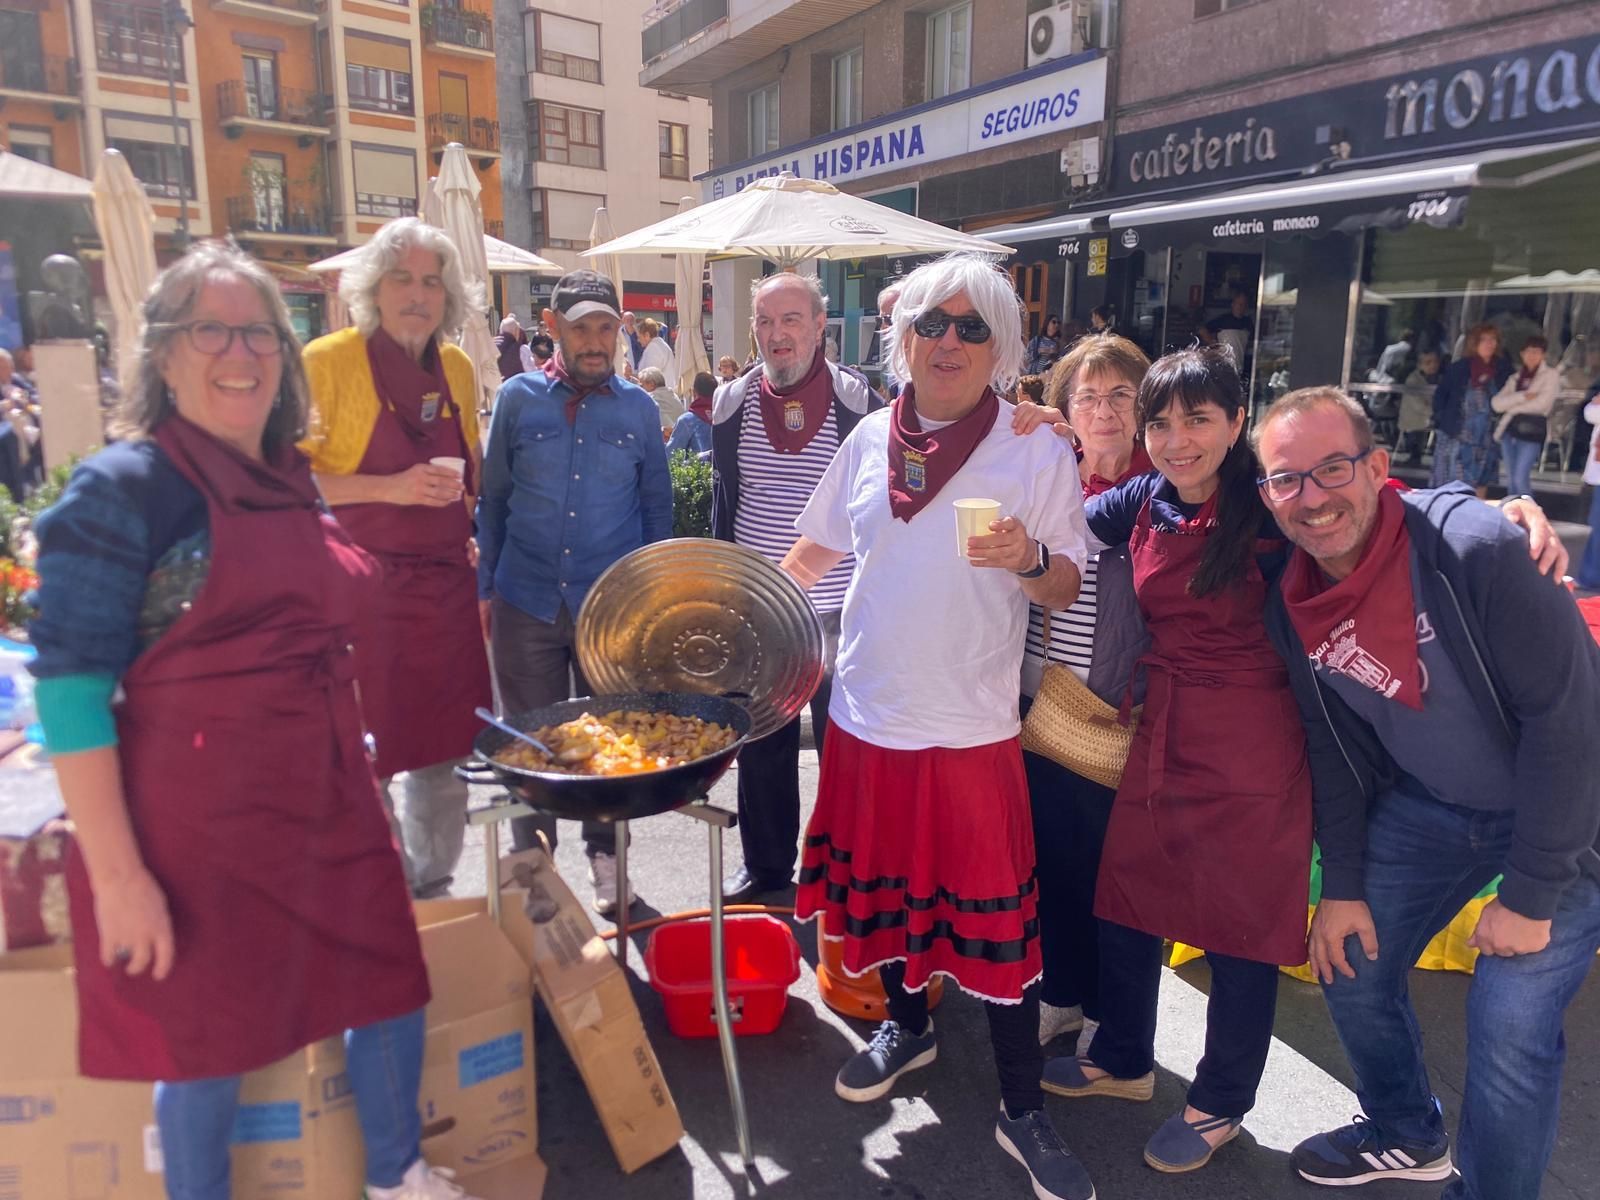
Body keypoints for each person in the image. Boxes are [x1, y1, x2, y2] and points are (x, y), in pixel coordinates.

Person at [29, 240, 466, 1200]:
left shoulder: (287, 474)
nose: (241, 353)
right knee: (205, 1038)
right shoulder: (122, 491)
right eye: (211, 330)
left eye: (259, 332)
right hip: (199, 828)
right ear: (162, 354)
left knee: (388, 980)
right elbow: (66, 693)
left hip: (331, 797)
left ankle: (398, 1176)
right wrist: (120, 878)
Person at [783, 252, 1094, 1200]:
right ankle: (909, 1028)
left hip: (970, 730)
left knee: (996, 924)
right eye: (932, 323)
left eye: (971, 327)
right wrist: (737, 616)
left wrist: (1029, 556)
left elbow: (1068, 581)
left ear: (998, 347)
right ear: (902, 335)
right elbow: (813, 547)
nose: (948, 342)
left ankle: (1021, 1106)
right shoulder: (869, 437)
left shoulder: (1035, 445)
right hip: (870, 715)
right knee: (890, 898)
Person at [1253, 388, 1600, 1198]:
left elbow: (1567, 725)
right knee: (1349, 959)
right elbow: (1333, 753)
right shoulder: (1293, 605)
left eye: (1332, 468)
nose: (1313, 496)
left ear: (1377, 467)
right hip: (1436, 807)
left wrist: (1531, 890)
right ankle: (1406, 1130)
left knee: (1510, 1027)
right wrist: (1340, 887)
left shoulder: (1475, 551)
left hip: (1566, 819)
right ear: (1266, 496)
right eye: (1286, 479)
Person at [1040, 347, 1312, 1176]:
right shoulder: (1146, 498)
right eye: (1160, 421)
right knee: (1126, 897)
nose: (1175, 438)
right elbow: (1067, 519)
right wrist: (1029, 435)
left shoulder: (1274, 506)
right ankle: (1122, 1057)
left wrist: (1503, 509)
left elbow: (1381, 515)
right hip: (1163, 730)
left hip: (1255, 743)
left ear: (1238, 423)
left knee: (1240, 930)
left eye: (1198, 418)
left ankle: (1221, 1100)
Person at [300, 218, 492, 899]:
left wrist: (460, 521)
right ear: (373, 290)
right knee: (366, 749)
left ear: (449, 297)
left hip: (443, 588)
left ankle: (432, 886)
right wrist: (391, 488)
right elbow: (290, 481)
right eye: (402, 279)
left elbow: (466, 471)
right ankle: (377, 891)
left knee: (444, 750)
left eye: (432, 281)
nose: (417, 294)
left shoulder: (460, 368)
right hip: (362, 589)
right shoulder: (326, 362)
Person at [477, 269, 672, 916]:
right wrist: (486, 590)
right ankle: (535, 882)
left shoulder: (640, 408)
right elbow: (495, 498)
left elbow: (656, 512)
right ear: (554, 329)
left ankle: (609, 872)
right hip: (525, 599)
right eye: (581, 327)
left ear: (620, 331)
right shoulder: (517, 398)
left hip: (609, 611)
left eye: (606, 327)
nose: (595, 341)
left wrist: (650, 602)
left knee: (610, 744)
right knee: (530, 750)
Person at [711, 272, 877, 903]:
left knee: (843, 750)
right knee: (763, 745)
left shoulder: (858, 403)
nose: (777, 335)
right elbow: (728, 499)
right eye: (765, 323)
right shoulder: (731, 404)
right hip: (760, 610)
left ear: (818, 327)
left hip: (839, 609)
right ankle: (767, 866)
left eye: (790, 320)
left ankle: (841, 867)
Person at [1010, 335, 1154, 1052]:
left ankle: (1109, 1014)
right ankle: (1062, 993)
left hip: (1122, 714)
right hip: (1042, 707)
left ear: (1144, 407)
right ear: (1065, 407)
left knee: (1115, 878)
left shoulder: (1166, 485)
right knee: (1052, 862)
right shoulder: (1050, 475)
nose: (1104, 410)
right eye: (1088, 397)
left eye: (1120, 395)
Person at [1432, 323, 1511, 497]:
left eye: (1493, 340)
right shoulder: (1459, 368)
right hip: (1458, 434)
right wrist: (1442, 420)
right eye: (1483, 340)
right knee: (1454, 482)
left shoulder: (1503, 369)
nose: (1489, 344)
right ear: (1474, 343)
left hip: (1487, 437)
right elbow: (1440, 397)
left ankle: (1475, 517)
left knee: (1481, 480)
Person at [1491, 333, 1559, 497]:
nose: (1532, 356)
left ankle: (1531, 517)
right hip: (1509, 431)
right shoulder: (1515, 378)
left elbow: (1543, 404)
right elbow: (1496, 403)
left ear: (1543, 355)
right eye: (1528, 351)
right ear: (1522, 354)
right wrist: (1522, 396)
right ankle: (1513, 517)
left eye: (1536, 352)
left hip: (1531, 432)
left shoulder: (1550, 375)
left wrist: (1513, 408)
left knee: (1521, 478)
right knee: (1512, 479)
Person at [1397, 350, 1442, 466]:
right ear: (1420, 364)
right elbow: (1417, 404)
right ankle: (1414, 457)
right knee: (1416, 437)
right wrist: (1434, 412)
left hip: (1426, 417)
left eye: (1435, 362)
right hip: (1414, 418)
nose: (1433, 365)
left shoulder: (1435, 378)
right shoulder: (1413, 380)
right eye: (1428, 362)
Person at [1199, 288, 1254, 368]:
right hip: (1224, 366)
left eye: (1243, 304)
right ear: (1233, 304)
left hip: (1240, 365)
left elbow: (1252, 342)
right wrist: (1212, 343)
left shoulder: (1248, 323)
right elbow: (1202, 330)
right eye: (1238, 303)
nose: (1240, 307)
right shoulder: (1223, 320)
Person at [666, 371, 714, 457]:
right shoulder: (724, 416)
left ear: (694, 392)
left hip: (696, 469)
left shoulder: (686, 421)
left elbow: (672, 455)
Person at [636, 366, 684, 438]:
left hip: (667, 440)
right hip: (682, 440)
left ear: (652, 384)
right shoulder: (673, 395)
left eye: (641, 386)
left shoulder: (651, 399)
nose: (640, 389)